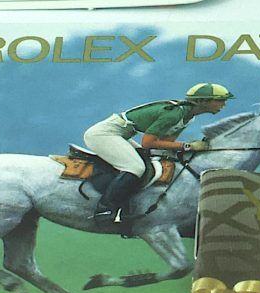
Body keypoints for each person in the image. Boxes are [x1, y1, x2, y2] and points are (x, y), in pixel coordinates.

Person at [77, 82, 232, 227]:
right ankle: (104, 210)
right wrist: (187, 146)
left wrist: (188, 148)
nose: (224, 104)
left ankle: (124, 209)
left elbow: (165, 142)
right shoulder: (174, 114)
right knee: (135, 168)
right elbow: (148, 143)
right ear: (203, 101)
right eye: (220, 100)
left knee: (146, 163)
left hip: (121, 135)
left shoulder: (188, 117)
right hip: (103, 134)